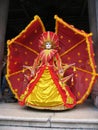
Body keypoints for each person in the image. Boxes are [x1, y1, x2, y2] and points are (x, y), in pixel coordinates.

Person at [19, 31, 76, 110]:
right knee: (35, 84)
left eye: (49, 44)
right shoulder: (41, 53)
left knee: (57, 85)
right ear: (44, 45)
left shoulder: (55, 52)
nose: (48, 46)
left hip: (51, 70)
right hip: (41, 70)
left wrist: (60, 69)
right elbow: (36, 61)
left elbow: (58, 61)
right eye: (47, 44)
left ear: (52, 45)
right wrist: (33, 69)